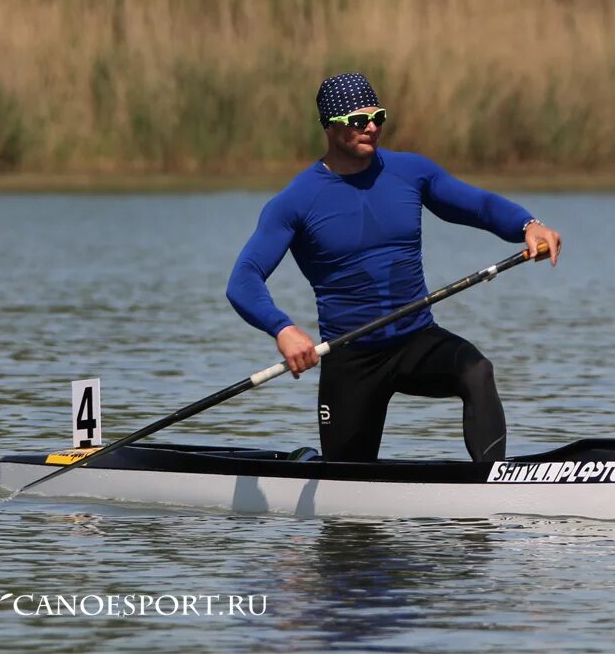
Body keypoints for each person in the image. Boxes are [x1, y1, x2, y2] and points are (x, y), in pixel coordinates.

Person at [227, 73, 561, 463]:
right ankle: (306, 462)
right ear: (331, 128)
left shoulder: (410, 173)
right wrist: (283, 329)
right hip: (351, 358)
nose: (371, 127)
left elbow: (480, 206)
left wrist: (528, 225)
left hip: (416, 341)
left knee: (477, 371)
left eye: (378, 117)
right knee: (347, 492)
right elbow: (243, 279)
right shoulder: (296, 202)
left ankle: (492, 484)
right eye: (357, 121)